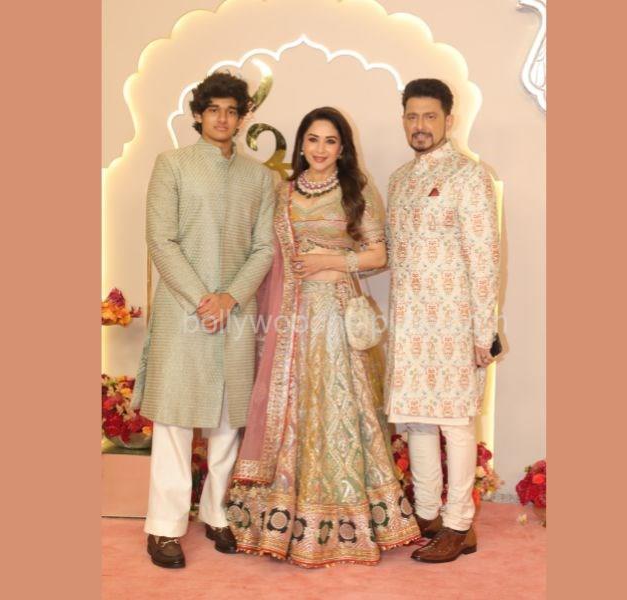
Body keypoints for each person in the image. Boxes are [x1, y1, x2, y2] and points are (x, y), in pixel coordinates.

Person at [226, 107, 420, 568]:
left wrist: (330, 263)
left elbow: (378, 254)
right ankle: (283, 517)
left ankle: (346, 517)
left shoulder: (356, 190)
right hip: (291, 319)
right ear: (301, 144)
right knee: (292, 407)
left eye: (330, 141)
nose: (320, 149)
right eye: (312, 139)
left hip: (335, 313)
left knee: (337, 406)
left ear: (342, 147)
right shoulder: (284, 192)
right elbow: (265, 253)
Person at [131, 72, 276, 569]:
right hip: (183, 311)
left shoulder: (260, 178)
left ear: (242, 117)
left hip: (235, 312)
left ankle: (217, 514)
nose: (223, 119)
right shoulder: (171, 165)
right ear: (198, 114)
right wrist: (202, 299)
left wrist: (230, 298)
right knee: (174, 419)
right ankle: (164, 528)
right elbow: (161, 240)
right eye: (214, 110)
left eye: (232, 111)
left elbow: (264, 248)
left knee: (228, 420)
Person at [385, 78, 500, 563]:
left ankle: (459, 525)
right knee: (417, 422)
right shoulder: (398, 180)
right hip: (409, 325)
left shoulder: (468, 176)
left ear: (449, 120)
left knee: (454, 423)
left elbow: (485, 259)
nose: (420, 125)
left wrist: (484, 333)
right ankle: (428, 515)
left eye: (429, 116)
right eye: (412, 116)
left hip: (454, 323)